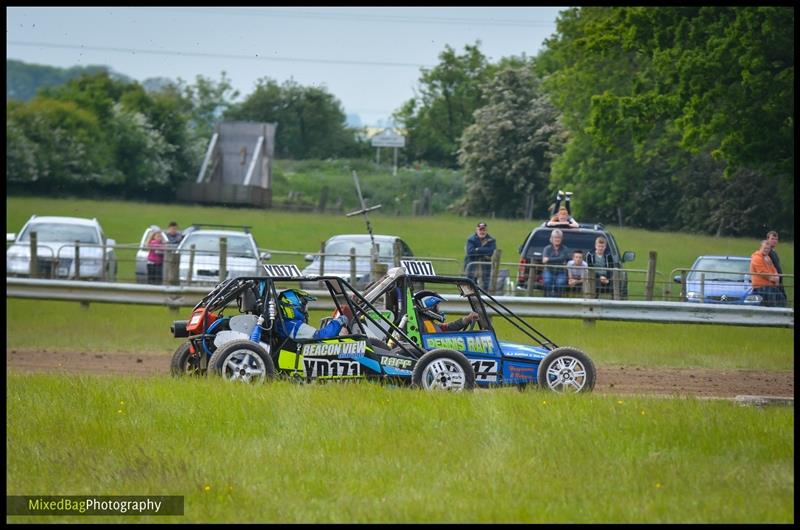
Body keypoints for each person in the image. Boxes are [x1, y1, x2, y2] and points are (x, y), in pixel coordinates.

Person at [276, 288, 352, 340]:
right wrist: (338, 321)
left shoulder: (282, 323)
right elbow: (322, 336)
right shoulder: (293, 325)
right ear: (293, 306)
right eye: (304, 305)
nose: (305, 310)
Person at [414, 292, 480, 333]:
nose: (438, 309)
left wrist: (466, 319)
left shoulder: (427, 322)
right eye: (436, 307)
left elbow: (447, 328)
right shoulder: (426, 324)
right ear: (430, 307)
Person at [750, 240, 786, 307]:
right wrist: (774, 279)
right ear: (760, 247)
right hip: (761, 286)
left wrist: (777, 277)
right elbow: (762, 273)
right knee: (773, 304)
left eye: (768, 249)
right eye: (765, 248)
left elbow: (774, 269)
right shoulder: (756, 257)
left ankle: (778, 315)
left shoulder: (767, 257)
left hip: (770, 285)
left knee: (781, 300)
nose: (766, 250)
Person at [464, 222, 496, 291]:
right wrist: (484, 251)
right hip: (472, 267)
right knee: (470, 285)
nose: (482, 232)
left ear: (486, 231)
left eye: (484, 230)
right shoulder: (471, 239)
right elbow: (470, 252)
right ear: (476, 230)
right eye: (480, 230)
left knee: (486, 286)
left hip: (485, 267)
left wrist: (477, 249)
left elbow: (491, 251)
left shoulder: (491, 240)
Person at [541, 229, 570, 297]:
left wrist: (549, 259)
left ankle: (558, 299)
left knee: (560, 283)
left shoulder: (565, 249)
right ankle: (546, 298)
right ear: (551, 239)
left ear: (561, 239)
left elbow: (562, 258)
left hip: (561, 271)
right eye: (555, 237)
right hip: (548, 270)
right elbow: (544, 261)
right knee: (547, 282)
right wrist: (557, 259)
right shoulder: (547, 248)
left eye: (559, 237)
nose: (557, 239)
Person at [766, 231, 785, 298]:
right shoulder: (767, 252)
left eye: (776, 239)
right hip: (773, 282)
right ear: (767, 239)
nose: (775, 241)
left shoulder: (774, 252)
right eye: (772, 239)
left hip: (778, 281)